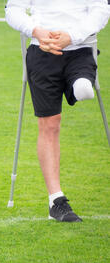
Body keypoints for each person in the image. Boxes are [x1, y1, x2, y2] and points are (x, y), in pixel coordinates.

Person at [6, 0, 109, 222]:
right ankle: (56, 200)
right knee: (50, 124)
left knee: (82, 88)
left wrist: (72, 35)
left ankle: (80, 85)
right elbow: (13, 10)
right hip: (41, 52)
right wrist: (38, 31)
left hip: (80, 49)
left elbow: (101, 9)